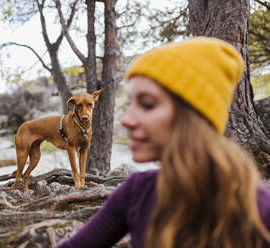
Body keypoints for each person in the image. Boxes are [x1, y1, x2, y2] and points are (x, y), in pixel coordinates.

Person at [55, 37, 270, 248]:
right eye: (130, 104)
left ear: (194, 115)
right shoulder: (136, 192)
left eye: (147, 104)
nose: (126, 119)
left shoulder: (261, 208)